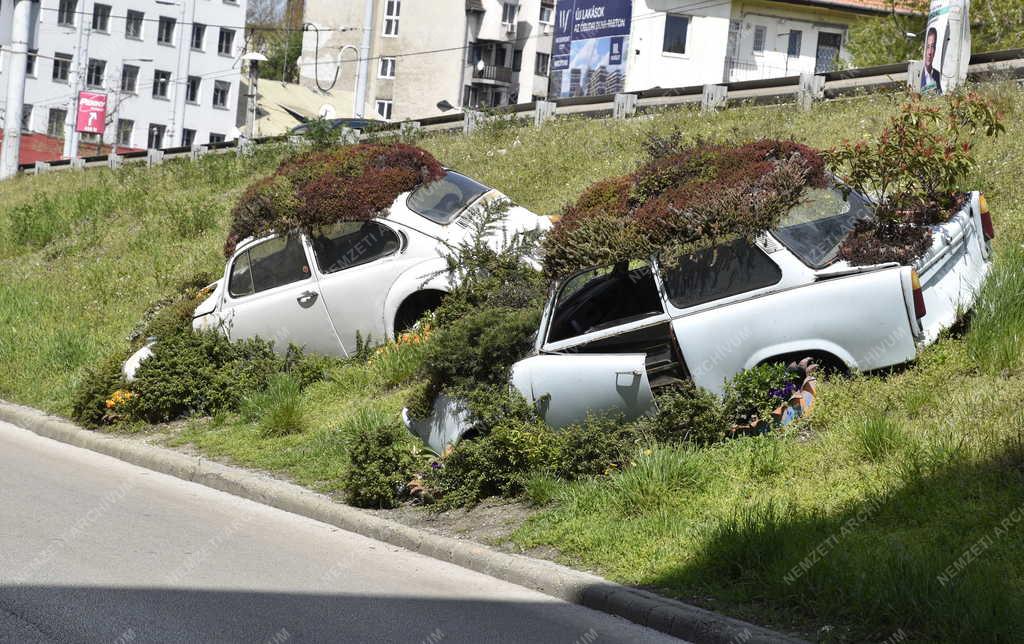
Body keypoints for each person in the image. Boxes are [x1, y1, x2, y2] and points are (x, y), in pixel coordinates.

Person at [921, 27, 942, 94]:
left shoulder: (939, 76)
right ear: (923, 50)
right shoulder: (916, 75)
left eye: (932, 47)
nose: (929, 52)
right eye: (927, 47)